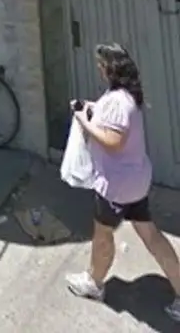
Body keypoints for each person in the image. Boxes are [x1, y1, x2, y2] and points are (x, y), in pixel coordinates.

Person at [66, 43, 180, 321]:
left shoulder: (119, 101)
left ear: (111, 69)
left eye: (101, 65)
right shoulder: (126, 95)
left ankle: (94, 283)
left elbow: (113, 141)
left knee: (102, 235)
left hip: (116, 186)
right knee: (151, 234)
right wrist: (92, 108)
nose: (99, 69)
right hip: (135, 181)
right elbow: (114, 121)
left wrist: (83, 120)